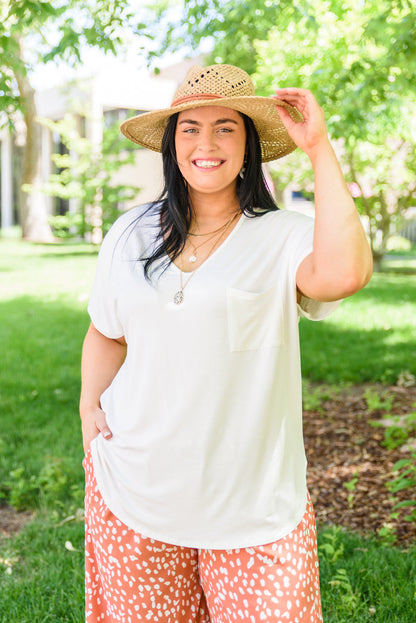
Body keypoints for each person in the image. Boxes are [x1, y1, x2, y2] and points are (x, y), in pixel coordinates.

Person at [80, 64, 372, 623]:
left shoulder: (283, 236)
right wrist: (89, 408)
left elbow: (344, 275)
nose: (205, 143)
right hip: (136, 493)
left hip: (254, 507)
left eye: (225, 128)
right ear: (171, 144)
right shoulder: (130, 232)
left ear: (248, 146)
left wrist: (319, 147)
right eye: (189, 128)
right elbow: (105, 331)